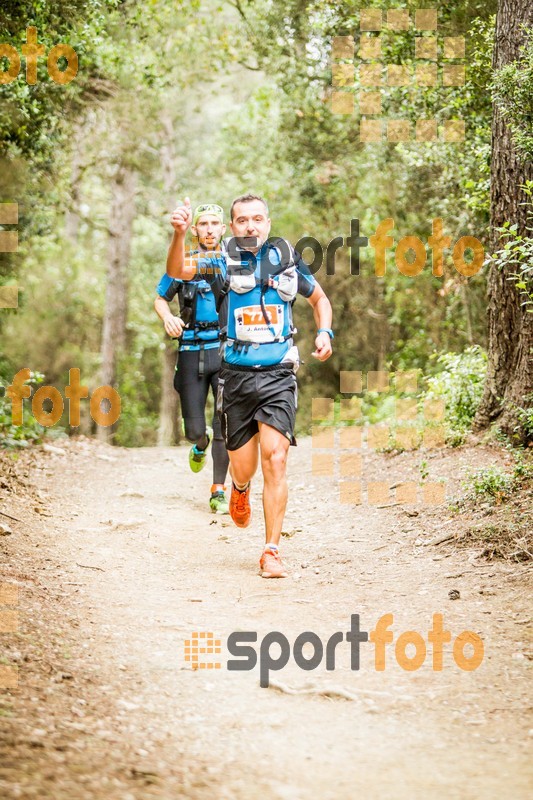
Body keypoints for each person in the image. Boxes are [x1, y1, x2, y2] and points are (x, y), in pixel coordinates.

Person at [166, 194, 333, 578]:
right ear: (233, 226)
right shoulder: (220, 261)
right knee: (244, 467)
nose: (251, 226)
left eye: (258, 219)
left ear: (268, 223)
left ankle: (271, 550)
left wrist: (324, 332)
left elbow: (319, 299)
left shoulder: (287, 258)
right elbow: (178, 269)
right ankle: (239, 488)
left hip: (278, 374)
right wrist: (178, 234)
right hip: (237, 377)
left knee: (276, 458)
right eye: (242, 220)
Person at [155, 203, 230, 514]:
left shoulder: (234, 262)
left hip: (225, 350)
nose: (210, 229)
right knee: (195, 430)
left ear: (224, 229)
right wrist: (167, 317)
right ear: (196, 229)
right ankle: (201, 443)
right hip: (189, 349)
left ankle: (218, 491)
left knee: (224, 421)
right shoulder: (183, 262)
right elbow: (160, 297)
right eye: (204, 224)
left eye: (215, 223)